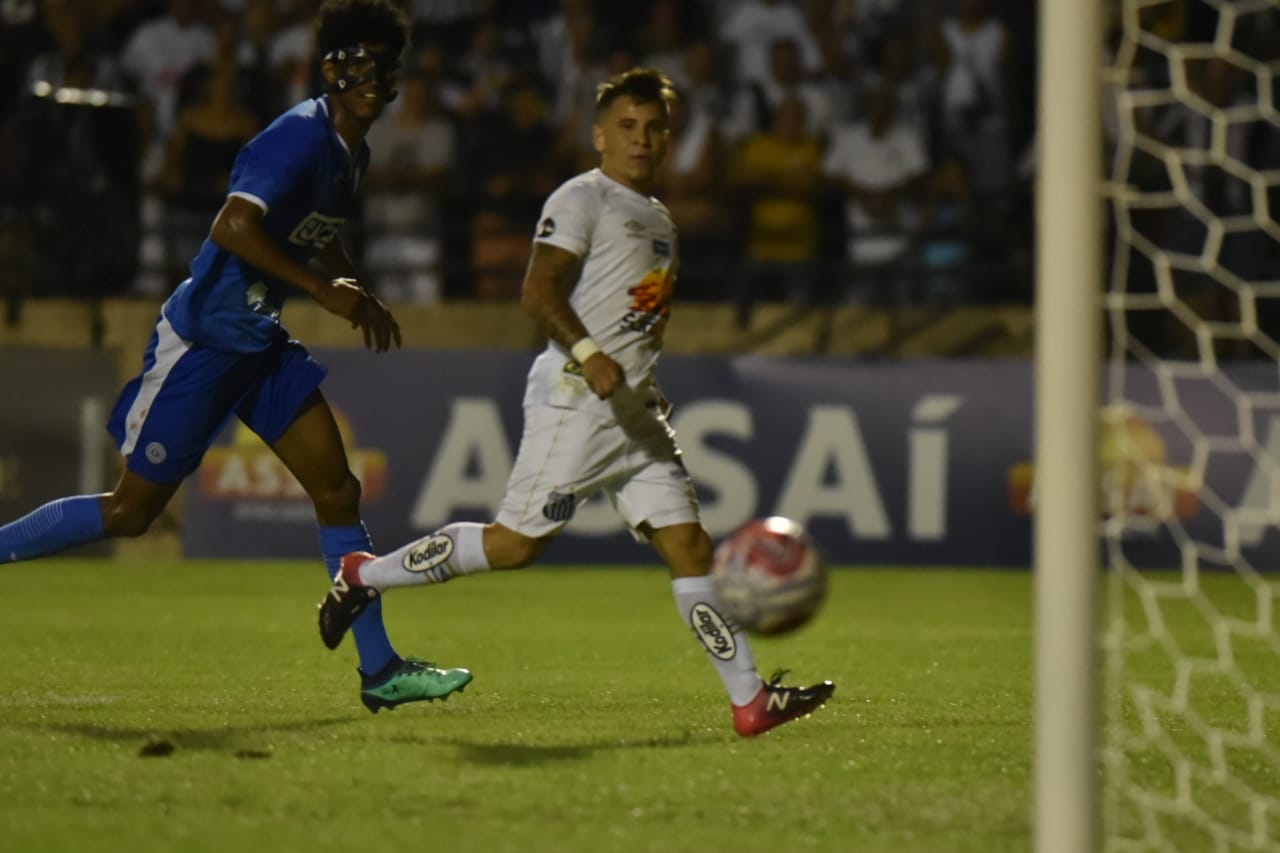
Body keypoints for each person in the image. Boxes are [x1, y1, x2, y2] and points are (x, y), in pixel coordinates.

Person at [318, 67, 835, 737]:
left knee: (689, 544)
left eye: (653, 129)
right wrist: (590, 356)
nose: (640, 140)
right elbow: (538, 290)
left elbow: (632, 318)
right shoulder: (583, 197)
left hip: (633, 410)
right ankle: (364, 574)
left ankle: (750, 700)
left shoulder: (658, 218)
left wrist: (644, 382)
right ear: (599, 135)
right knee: (513, 546)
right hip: (576, 400)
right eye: (627, 127)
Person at [0, 0, 471, 714]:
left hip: (259, 343)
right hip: (208, 342)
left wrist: (349, 284)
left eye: (388, 66)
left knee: (337, 490)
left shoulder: (353, 152)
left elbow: (316, 231)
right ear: (337, 70)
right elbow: (234, 224)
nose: (380, 79)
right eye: (366, 64)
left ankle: (380, 671)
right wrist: (321, 289)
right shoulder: (298, 136)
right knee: (131, 511)